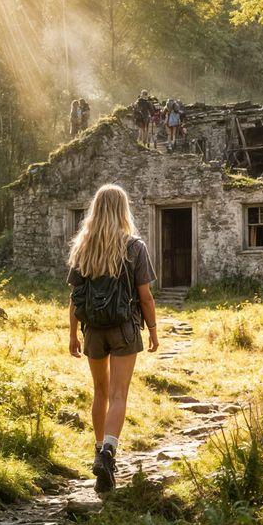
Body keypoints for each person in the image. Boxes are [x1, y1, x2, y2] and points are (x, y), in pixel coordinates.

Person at [66, 185, 159, 494]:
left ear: (95, 209)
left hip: (93, 329)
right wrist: (153, 329)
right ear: (122, 209)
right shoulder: (134, 247)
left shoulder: (83, 247)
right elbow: (145, 296)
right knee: (119, 394)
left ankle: (98, 449)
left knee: (100, 391)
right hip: (124, 328)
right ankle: (108, 453)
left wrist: (72, 335)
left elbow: (74, 297)